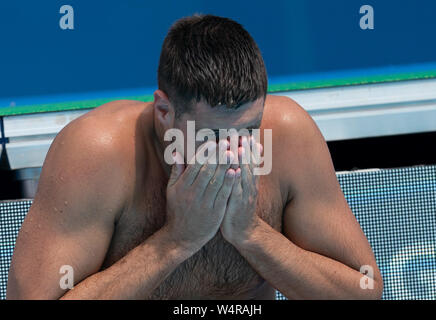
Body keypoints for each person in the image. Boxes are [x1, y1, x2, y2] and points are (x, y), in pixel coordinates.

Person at [7, 14, 383, 300]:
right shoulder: (99, 153)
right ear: (164, 112)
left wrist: (252, 235)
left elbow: (364, 290)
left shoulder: (287, 136)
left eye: (249, 130)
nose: (234, 152)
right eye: (212, 136)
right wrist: (175, 241)